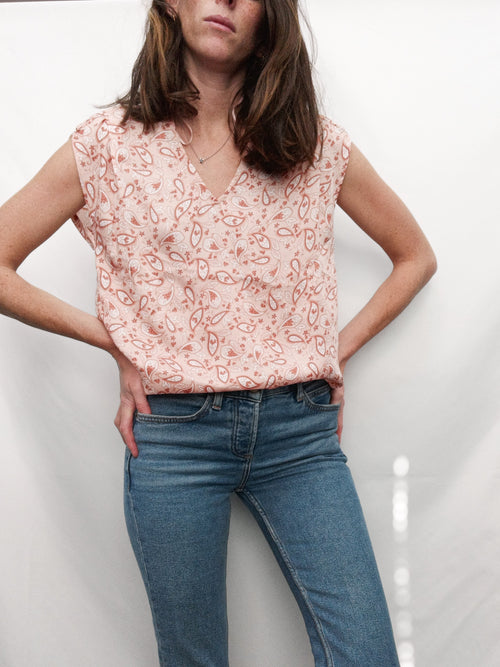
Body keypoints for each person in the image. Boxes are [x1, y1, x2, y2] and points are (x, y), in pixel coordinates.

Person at [0, 0, 437, 665]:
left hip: (299, 435)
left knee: (366, 652)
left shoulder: (313, 144)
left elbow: (415, 257)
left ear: (269, 18)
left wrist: (332, 351)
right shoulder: (105, 146)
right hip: (173, 439)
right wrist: (111, 339)